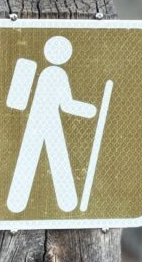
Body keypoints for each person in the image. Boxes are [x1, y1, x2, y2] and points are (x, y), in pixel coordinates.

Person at [6, 36, 96, 213]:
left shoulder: (35, 67)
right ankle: (65, 203)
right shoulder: (53, 73)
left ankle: (18, 203)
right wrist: (90, 110)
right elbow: (66, 105)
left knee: (33, 158)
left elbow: (18, 100)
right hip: (45, 121)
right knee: (54, 158)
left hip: (41, 120)